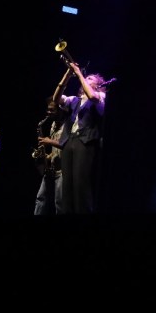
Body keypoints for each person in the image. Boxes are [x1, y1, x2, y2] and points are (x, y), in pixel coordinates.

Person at [53, 58, 108, 214]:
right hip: (70, 141)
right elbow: (56, 100)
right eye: (86, 77)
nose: (86, 78)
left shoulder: (100, 97)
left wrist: (78, 73)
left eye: (90, 78)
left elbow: (93, 97)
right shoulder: (74, 100)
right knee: (67, 186)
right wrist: (67, 75)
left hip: (85, 142)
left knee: (80, 184)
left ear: (98, 85)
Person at [33, 97, 70, 215]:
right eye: (48, 110)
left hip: (63, 170)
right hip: (51, 169)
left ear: (61, 109)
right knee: (40, 199)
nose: (48, 113)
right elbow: (56, 149)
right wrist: (47, 156)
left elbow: (67, 146)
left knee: (59, 203)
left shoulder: (69, 124)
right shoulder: (53, 124)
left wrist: (49, 142)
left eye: (52, 110)